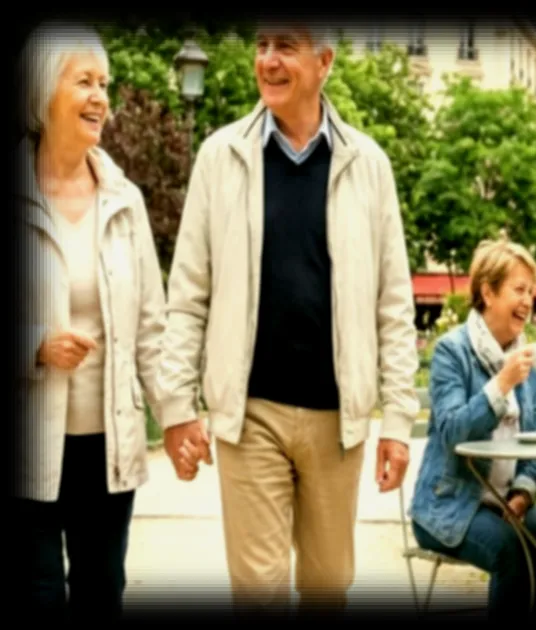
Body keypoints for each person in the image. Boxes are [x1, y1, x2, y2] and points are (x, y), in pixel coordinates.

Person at [154, 22, 422, 613]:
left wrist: (399, 422)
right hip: (250, 416)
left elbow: (394, 306)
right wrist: (176, 407)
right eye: (262, 46)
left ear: (324, 62)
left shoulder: (368, 164)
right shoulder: (220, 157)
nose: (268, 60)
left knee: (328, 587)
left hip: (338, 420)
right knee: (258, 591)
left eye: (286, 47)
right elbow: (188, 294)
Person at [15, 22, 169, 620]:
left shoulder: (124, 200)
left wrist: (177, 417)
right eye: (84, 81)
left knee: (101, 595)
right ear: (42, 90)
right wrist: (37, 345)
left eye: (105, 83)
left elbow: (152, 329)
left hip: (109, 448)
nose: (101, 97)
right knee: (38, 596)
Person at [409, 239, 536, 619]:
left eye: (531, 292)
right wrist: (501, 384)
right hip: (450, 504)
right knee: (511, 553)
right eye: (519, 290)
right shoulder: (452, 352)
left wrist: (523, 494)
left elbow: (534, 444)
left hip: (505, 500)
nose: (528, 301)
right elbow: (452, 431)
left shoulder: (524, 358)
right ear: (488, 293)